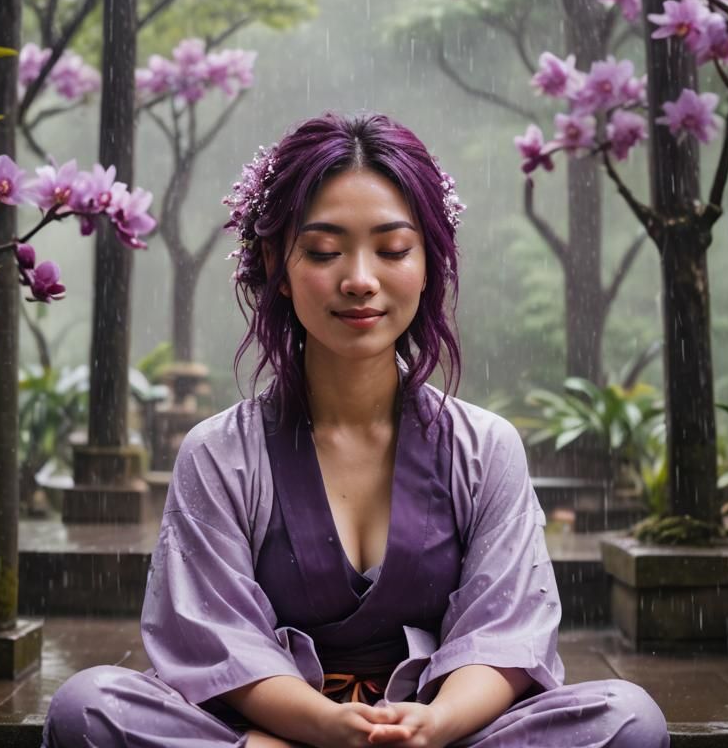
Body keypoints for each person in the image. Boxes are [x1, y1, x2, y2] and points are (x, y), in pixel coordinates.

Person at [43, 112, 669, 748]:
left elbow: (506, 632)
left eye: (393, 250)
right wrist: (323, 727)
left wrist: (434, 724)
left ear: (428, 263)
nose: (360, 280)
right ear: (276, 263)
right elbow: (214, 639)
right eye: (323, 251)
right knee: (88, 708)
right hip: (275, 731)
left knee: (627, 719)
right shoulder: (220, 453)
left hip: (436, 733)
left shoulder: (485, 447)